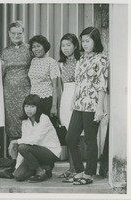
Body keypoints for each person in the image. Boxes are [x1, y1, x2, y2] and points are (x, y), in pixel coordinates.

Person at [66, 27, 109, 185]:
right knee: (70, 138)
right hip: (79, 104)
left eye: (87, 41)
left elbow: (102, 85)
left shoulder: (102, 59)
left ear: (95, 41)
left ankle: (90, 173)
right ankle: (79, 170)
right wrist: (73, 99)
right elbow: (78, 82)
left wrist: (100, 108)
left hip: (92, 105)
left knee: (90, 140)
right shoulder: (82, 58)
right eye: (83, 41)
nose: (84, 44)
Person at [9, 94, 61, 182]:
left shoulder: (44, 119)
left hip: (50, 152)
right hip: (34, 152)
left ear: (38, 107)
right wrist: (16, 167)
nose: (28, 109)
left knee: (22, 147)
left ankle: (40, 172)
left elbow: (35, 138)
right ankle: (45, 168)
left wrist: (15, 141)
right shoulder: (25, 122)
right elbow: (24, 141)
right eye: (26, 106)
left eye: (32, 106)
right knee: (18, 176)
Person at [1, 21, 33, 148]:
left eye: (19, 33)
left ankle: (25, 158)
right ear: (9, 34)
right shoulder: (5, 51)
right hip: (9, 93)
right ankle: (13, 160)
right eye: (13, 33)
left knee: (26, 120)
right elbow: (1, 73)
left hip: (25, 91)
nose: (16, 36)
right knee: (11, 123)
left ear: (23, 33)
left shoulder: (29, 49)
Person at [57, 33, 82, 182]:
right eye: (63, 45)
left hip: (77, 96)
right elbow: (61, 86)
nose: (65, 48)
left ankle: (77, 169)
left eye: (69, 45)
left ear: (75, 46)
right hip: (66, 96)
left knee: (76, 135)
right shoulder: (60, 64)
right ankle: (70, 168)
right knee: (68, 133)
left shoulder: (80, 61)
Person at [28, 35, 61, 117]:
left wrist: (54, 106)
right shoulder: (33, 61)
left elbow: (55, 86)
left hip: (46, 100)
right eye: (33, 47)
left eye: (38, 46)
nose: (36, 49)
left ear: (44, 46)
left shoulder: (51, 62)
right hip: (33, 100)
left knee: (47, 127)